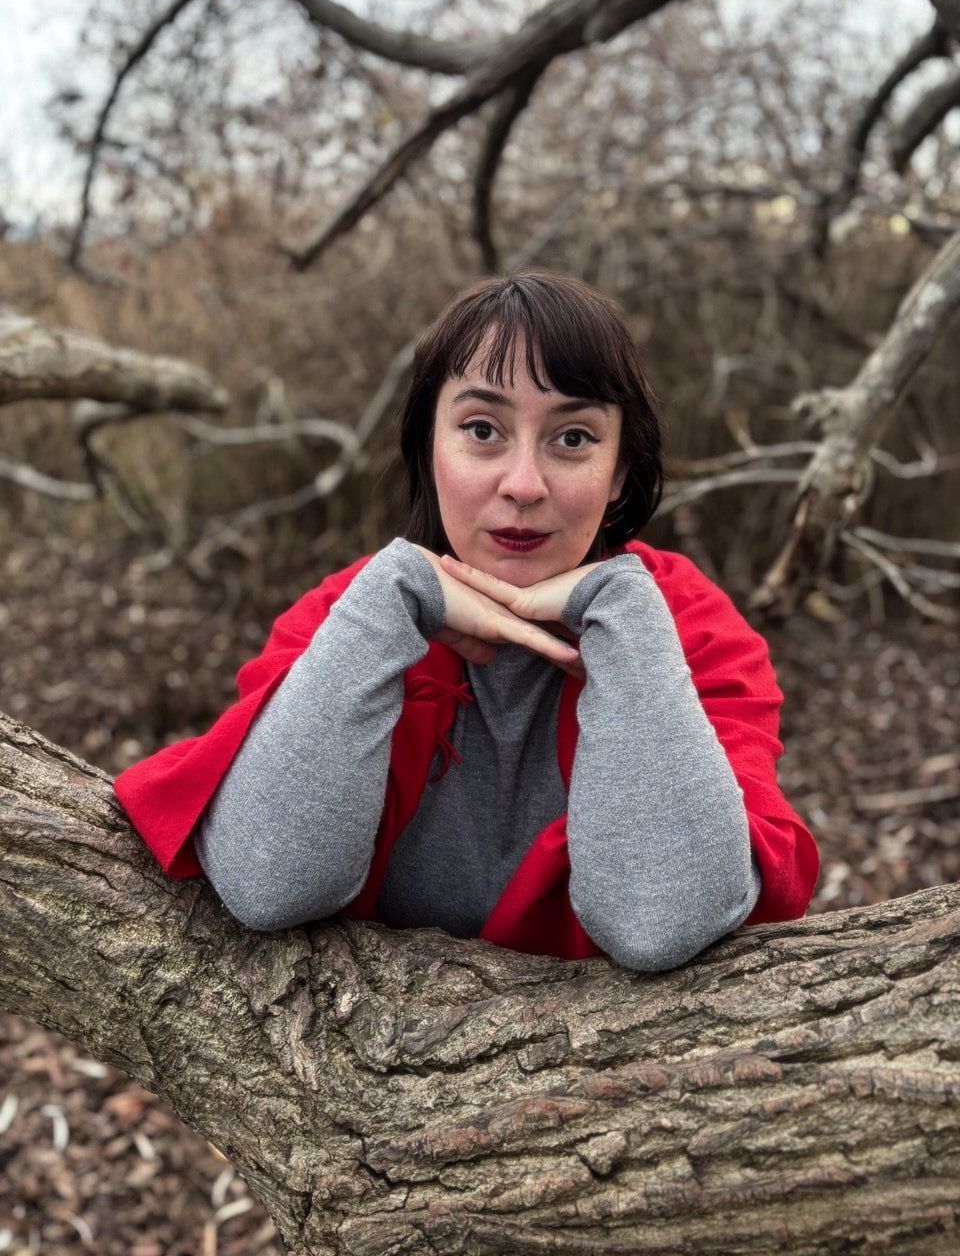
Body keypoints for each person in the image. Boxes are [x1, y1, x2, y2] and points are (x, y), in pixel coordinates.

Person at [114, 269, 820, 972]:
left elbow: (663, 920)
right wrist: (393, 595)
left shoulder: (691, 628)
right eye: (482, 429)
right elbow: (267, 882)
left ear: (622, 473)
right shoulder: (347, 616)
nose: (522, 484)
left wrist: (619, 611)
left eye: (572, 438)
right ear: (429, 446)